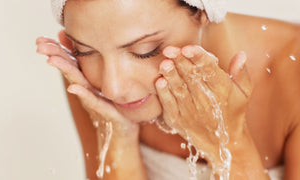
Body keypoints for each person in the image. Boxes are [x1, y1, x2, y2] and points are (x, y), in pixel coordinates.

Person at [36, 0, 300, 179]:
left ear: (203, 11)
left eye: (144, 51)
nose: (113, 88)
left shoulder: (293, 72)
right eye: (85, 50)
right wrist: (118, 138)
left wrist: (230, 142)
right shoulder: (89, 79)